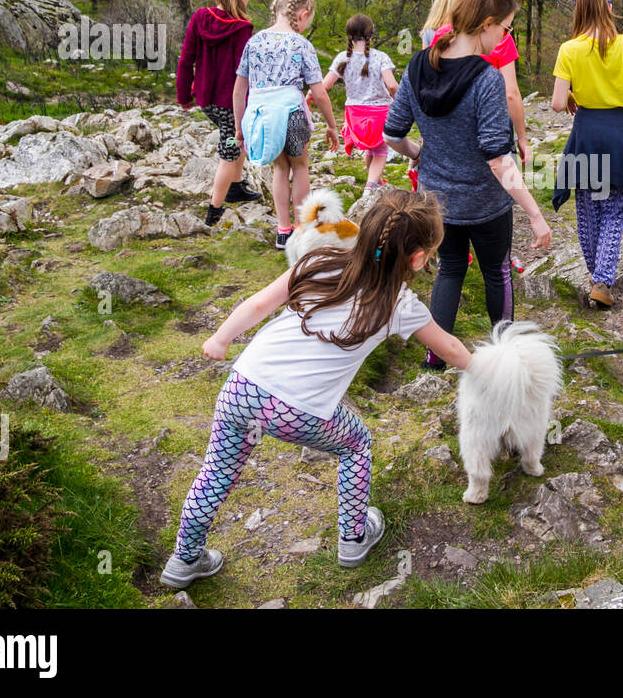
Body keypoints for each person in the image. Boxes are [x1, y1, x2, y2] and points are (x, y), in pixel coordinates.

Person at [160, 190, 473, 588]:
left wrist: (220, 339)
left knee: (216, 471)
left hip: (244, 385)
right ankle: (353, 537)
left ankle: (184, 559)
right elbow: (448, 347)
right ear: (417, 258)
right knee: (356, 443)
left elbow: (258, 305)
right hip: (298, 410)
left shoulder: (318, 261)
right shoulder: (399, 303)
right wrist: (485, 365)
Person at [384, 0, 552, 372]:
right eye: (506, 28)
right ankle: (506, 355)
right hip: (485, 201)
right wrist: (534, 212)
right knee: (496, 271)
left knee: (451, 269)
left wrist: (419, 153)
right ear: (487, 23)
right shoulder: (486, 79)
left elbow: (393, 134)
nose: (505, 36)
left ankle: (435, 356)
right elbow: (498, 159)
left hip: (436, 200)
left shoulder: (418, 65)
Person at [550, 0, 623, 310]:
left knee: (589, 210)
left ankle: (597, 279)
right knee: (613, 213)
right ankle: (603, 281)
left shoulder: (569, 49)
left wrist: (574, 95)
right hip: (620, 136)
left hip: (587, 135)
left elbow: (556, 102)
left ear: (578, 9)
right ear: (609, 7)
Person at [232, 0, 340, 250]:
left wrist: (239, 127)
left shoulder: (254, 42)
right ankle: (303, 231)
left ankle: (283, 231)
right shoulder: (301, 44)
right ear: (303, 15)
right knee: (300, 168)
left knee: (280, 169)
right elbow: (319, 92)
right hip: (292, 113)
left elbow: (239, 89)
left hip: (264, 115)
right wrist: (332, 125)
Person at [175, 0, 261, 227]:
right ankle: (214, 210)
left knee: (238, 142)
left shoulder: (200, 17)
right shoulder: (242, 27)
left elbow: (186, 59)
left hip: (205, 98)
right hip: (230, 102)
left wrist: (183, 96)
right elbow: (242, 73)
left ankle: (235, 187)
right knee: (230, 149)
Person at [428, 0, 531, 166]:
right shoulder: (502, 37)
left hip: (449, 127)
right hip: (492, 124)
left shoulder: (442, 34)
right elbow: (510, 93)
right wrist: (522, 138)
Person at [320, 14, 398, 195]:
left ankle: (375, 180)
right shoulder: (380, 57)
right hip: (380, 111)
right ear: (371, 35)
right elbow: (392, 85)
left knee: (371, 149)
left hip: (354, 113)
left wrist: (309, 96)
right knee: (380, 151)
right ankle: (369, 188)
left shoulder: (342, 58)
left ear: (349, 35)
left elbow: (324, 86)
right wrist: (403, 102)